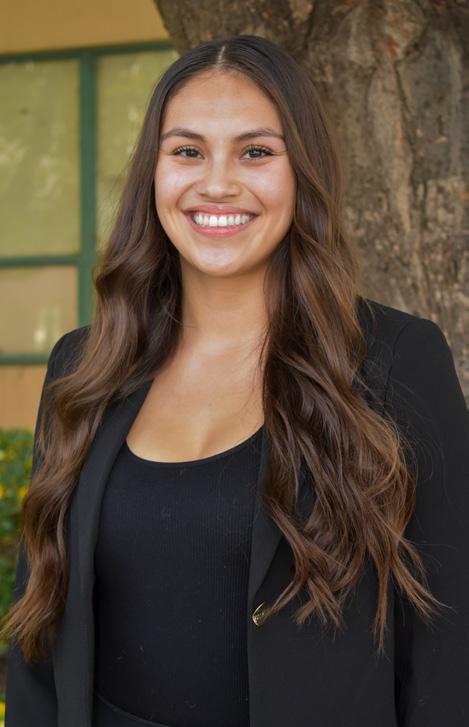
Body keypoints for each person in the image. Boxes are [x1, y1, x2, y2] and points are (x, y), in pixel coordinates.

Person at [2, 34, 469, 727]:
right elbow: (40, 629)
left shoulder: (395, 360)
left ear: (303, 171)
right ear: (153, 173)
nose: (217, 183)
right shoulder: (83, 365)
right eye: (187, 151)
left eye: (255, 152)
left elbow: (447, 646)